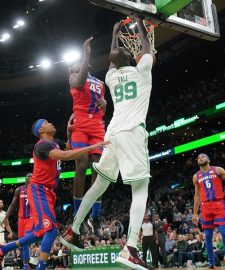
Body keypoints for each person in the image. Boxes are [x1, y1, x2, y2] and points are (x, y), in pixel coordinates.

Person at [60, 17, 156, 270]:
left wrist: (115, 32)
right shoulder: (142, 69)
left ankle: (74, 228)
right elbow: (146, 50)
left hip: (111, 135)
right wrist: (142, 27)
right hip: (132, 132)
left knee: (101, 183)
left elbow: (117, 56)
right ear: (131, 57)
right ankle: (131, 248)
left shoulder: (111, 77)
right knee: (140, 189)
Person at [0, 119, 109, 270]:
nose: (51, 123)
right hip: (38, 190)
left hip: (48, 192)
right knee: (51, 231)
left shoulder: (54, 142)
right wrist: (93, 146)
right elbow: (65, 156)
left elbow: (68, 147)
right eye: (46, 122)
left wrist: (69, 132)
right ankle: (41, 267)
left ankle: (4, 249)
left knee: (40, 233)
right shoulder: (42, 146)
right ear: (41, 130)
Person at [68, 37, 107, 235]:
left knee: (98, 169)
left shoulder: (100, 82)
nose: (75, 68)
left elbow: (103, 109)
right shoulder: (74, 78)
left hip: (97, 126)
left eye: (80, 65)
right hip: (81, 125)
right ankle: (78, 215)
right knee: (82, 164)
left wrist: (105, 105)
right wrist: (86, 54)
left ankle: (96, 216)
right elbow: (81, 80)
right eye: (74, 67)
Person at [4, 172, 33, 270]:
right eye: (29, 175)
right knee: (21, 244)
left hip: (31, 219)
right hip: (21, 220)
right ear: (25, 178)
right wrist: (6, 217)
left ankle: (26, 265)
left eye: (32, 176)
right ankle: (24, 263)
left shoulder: (36, 189)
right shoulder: (19, 190)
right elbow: (12, 205)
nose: (30, 177)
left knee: (25, 242)